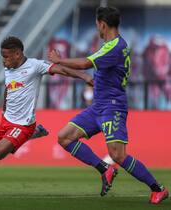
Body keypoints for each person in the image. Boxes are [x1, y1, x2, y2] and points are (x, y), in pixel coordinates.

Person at [48, 6, 168, 204]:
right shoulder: (111, 45)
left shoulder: (115, 47)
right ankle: (105, 168)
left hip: (113, 107)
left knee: (118, 155)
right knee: (65, 137)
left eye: (97, 25)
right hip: (98, 106)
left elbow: (85, 63)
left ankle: (158, 188)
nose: (97, 29)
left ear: (102, 24)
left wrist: (60, 60)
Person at [0, 36, 93, 198]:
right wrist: (3, 110)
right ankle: (34, 134)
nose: (3, 60)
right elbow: (9, 89)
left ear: (17, 54)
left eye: (6, 56)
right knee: (0, 155)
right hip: (6, 119)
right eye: (2, 56)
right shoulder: (8, 68)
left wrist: (85, 77)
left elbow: (62, 70)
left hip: (23, 124)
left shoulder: (35, 66)